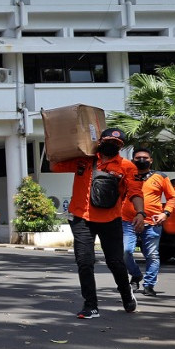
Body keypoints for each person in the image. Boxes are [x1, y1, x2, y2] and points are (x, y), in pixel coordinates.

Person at [49, 128, 143, 319]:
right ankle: (90, 305)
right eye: (109, 141)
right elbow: (55, 166)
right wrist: (56, 144)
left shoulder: (127, 167)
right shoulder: (84, 160)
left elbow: (135, 192)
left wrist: (140, 212)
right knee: (84, 262)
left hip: (111, 220)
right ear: (99, 142)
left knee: (115, 262)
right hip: (82, 218)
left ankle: (126, 294)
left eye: (117, 144)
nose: (112, 145)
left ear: (121, 147)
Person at [122, 148, 175, 296]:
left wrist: (165, 213)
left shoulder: (160, 177)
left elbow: (172, 198)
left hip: (153, 222)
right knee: (125, 251)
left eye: (145, 157)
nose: (141, 160)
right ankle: (136, 274)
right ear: (133, 160)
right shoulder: (127, 176)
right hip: (128, 221)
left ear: (151, 160)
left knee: (152, 255)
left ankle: (149, 285)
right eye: (138, 157)